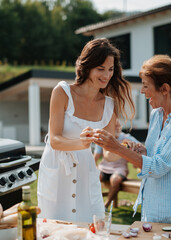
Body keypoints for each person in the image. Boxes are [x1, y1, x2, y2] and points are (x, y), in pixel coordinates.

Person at [93, 55, 171, 225]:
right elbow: (153, 156)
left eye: (145, 85)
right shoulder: (157, 114)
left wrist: (117, 148)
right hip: (152, 208)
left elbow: (159, 166)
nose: (142, 91)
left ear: (164, 89)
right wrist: (142, 151)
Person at [37, 38, 135, 223]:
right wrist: (81, 143)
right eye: (101, 69)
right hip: (57, 168)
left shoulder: (109, 105)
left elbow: (107, 154)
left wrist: (122, 147)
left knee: (88, 226)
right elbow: (55, 139)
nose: (107, 75)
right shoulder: (63, 92)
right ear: (87, 66)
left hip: (84, 170)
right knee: (52, 228)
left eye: (111, 69)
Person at [94, 120, 140, 209]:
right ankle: (95, 203)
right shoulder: (103, 138)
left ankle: (105, 206)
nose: (116, 127)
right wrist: (94, 168)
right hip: (104, 167)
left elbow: (139, 148)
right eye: (114, 126)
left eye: (118, 125)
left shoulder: (126, 138)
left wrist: (135, 160)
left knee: (114, 180)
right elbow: (95, 157)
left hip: (120, 168)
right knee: (95, 177)